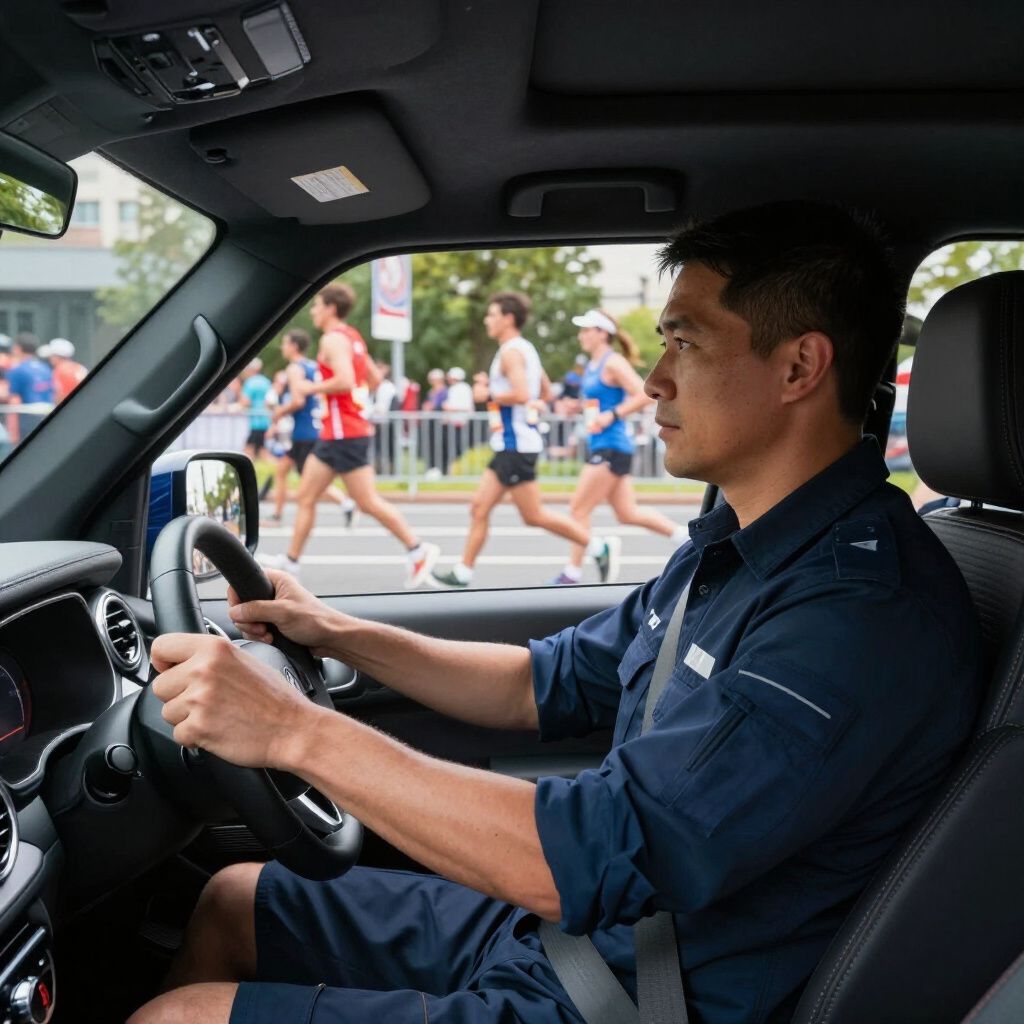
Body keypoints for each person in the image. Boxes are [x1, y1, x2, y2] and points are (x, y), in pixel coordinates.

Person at [130, 202, 982, 1024]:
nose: (653, 378)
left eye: (686, 341)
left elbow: (585, 856)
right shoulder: (738, 546)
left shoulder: (858, 615)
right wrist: (334, 632)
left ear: (799, 367)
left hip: (638, 998)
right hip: (578, 941)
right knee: (230, 900)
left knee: (178, 1019)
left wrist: (292, 731)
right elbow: (544, 681)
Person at [431, 290, 620, 588]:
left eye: (492, 315)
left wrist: (488, 394)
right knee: (487, 509)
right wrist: (532, 403)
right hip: (512, 444)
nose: (486, 320)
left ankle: (597, 546)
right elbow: (543, 392)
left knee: (531, 514)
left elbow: (522, 394)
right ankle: (463, 572)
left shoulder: (511, 352)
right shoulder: (525, 349)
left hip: (515, 445)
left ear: (508, 318)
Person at [260, 283, 439, 588]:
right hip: (339, 432)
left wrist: (310, 389)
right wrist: (352, 404)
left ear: (331, 307)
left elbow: (344, 380)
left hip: (344, 435)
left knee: (367, 501)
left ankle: (418, 549)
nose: (314, 311)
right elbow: (371, 378)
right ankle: (291, 562)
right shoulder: (353, 336)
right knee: (306, 495)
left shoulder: (332, 339)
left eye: (316, 306)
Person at [549, 309, 688, 585]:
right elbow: (600, 404)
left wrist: (611, 416)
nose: (581, 336)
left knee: (578, 508)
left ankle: (572, 574)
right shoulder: (591, 365)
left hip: (612, 446)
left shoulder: (612, 363)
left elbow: (643, 394)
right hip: (602, 443)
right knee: (627, 513)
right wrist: (576, 408)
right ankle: (684, 537)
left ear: (602, 333)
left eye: (586, 330)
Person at [262, 329, 358, 528]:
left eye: (285, 343)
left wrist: (279, 412)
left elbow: (298, 400)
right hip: (311, 427)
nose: (282, 347)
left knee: (310, 482)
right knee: (282, 471)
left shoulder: (294, 368)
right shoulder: (313, 366)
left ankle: (346, 503)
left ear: (294, 346)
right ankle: (278, 515)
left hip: (303, 432)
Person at [6, 333, 53, 441]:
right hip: (48, 414)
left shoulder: (17, 370)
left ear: (18, 348)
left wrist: (13, 431)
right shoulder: (46, 368)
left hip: (28, 418)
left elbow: (14, 399)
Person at [239, 359, 274, 461]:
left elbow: (245, 402)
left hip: (256, 421)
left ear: (251, 370)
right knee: (260, 450)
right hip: (265, 420)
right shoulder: (266, 382)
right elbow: (271, 401)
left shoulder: (250, 383)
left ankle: (247, 470)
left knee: (251, 450)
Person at [45, 337, 87, 402]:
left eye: (52, 355)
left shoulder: (59, 370)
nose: (50, 358)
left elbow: (59, 395)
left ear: (57, 356)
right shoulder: (81, 368)